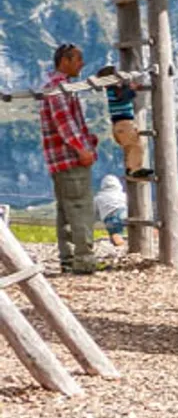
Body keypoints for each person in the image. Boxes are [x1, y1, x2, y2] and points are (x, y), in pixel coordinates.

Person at [38, 43, 98, 274]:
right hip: (70, 159)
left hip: (57, 161)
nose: (81, 64)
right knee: (81, 207)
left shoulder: (52, 87)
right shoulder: (59, 88)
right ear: (65, 61)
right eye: (78, 59)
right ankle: (84, 260)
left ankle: (69, 259)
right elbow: (65, 123)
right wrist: (82, 149)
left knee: (65, 210)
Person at [94, 64, 152, 179]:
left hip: (120, 125)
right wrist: (132, 89)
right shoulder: (114, 91)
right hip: (124, 124)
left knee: (129, 147)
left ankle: (130, 168)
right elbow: (124, 96)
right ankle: (135, 169)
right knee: (136, 145)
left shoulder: (112, 91)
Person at [94, 174, 128, 249]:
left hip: (110, 217)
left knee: (114, 231)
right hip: (124, 213)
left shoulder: (98, 197)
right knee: (133, 225)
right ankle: (151, 232)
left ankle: (116, 236)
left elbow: (94, 211)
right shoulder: (122, 195)